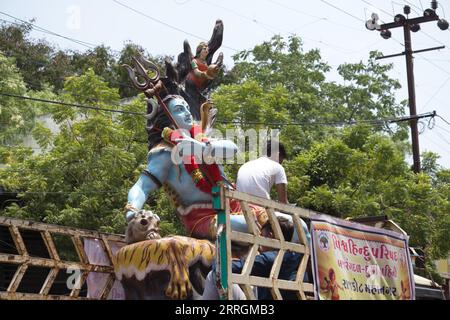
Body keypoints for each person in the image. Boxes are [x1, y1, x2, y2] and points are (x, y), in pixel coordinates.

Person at [125, 94, 268, 240]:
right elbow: (142, 187)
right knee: (246, 224)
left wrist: (202, 147)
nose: (187, 113)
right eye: (180, 110)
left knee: (284, 221)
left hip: (235, 205)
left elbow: (233, 148)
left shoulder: (201, 140)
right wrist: (132, 211)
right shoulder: (165, 153)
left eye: (187, 108)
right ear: (167, 118)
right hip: (203, 218)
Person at [202, 216, 309, 300]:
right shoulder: (298, 257)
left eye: (262, 236)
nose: (260, 240)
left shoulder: (269, 258)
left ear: (270, 236)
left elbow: (221, 270)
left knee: (213, 275)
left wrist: (219, 261)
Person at [236, 139, 310, 244]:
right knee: (301, 225)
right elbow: (283, 203)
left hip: (239, 210)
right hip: (260, 212)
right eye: (281, 160)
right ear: (278, 154)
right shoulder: (278, 167)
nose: (281, 163)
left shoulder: (246, 165)